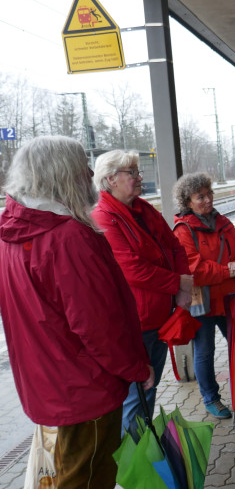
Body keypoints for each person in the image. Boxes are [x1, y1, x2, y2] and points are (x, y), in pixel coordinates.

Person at [0, 136, 153, 488]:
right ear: (63, 173)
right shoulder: (68, 236)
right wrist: (135, 367)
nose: (88, 172)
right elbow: (99, 326)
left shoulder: (12, 233)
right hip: (86, 388)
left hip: (46, 381)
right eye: (81, 165)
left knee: (68, 471)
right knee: (87, 476)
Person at [91, 150, 193, 437]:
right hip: (138, 321)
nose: (139, 178)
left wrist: (182, 284)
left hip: (161, 316)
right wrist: (178, 284)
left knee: (149, 388)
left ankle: (145, 446)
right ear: (111, 179)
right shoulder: (104, 216)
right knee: (137, 394)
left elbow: (174, 246)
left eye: (138, 172)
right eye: (132, 173)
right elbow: (132, 269)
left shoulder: (143, 209)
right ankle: (136, 460)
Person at [173, 172, 235, 418]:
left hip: (228, 295)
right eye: (200, 197)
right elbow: (193, 269)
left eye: (209, 194)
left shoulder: (223, 222)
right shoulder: (183, 230)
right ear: (187, 202)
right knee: (205, 350)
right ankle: (211, 398)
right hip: (201, 299)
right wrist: (229, 269)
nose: (207, 200)